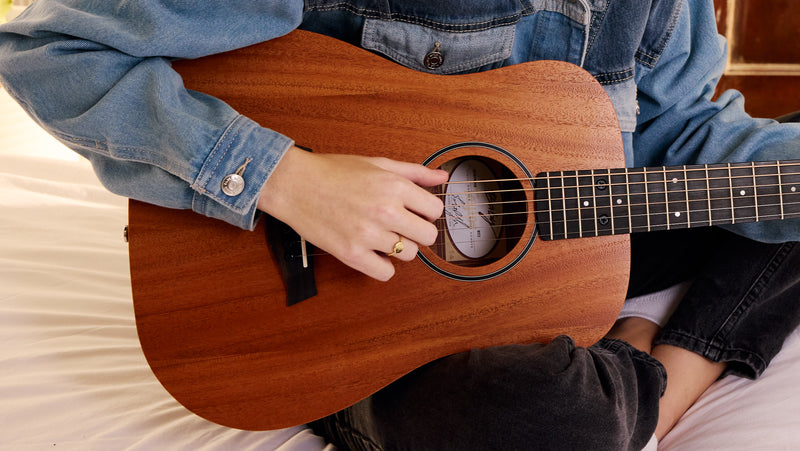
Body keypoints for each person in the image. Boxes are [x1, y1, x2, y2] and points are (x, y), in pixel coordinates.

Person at [1, 0, 799, 449]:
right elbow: (43, 49)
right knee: (550, 420)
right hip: (344, 306)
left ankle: (666, 373)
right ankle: (650, 390)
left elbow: (682, 134)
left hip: (573, 218)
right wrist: (287, 176)